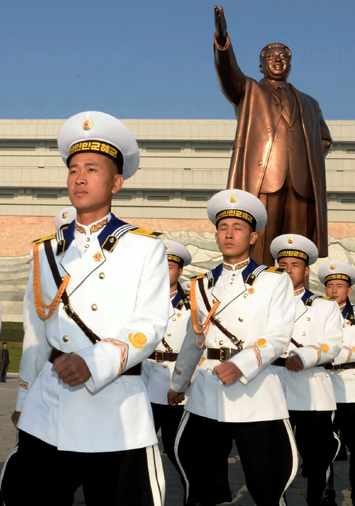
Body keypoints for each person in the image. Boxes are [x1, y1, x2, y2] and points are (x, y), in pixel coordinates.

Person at [0, 111, 170, 506]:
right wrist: (23, 401)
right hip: (49, 408)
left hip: (113, 409)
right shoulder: (46, 250)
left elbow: (149, 324)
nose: (79, 177)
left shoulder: (143, 247)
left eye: (92, 169)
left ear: (116, 182)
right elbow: (35, 332)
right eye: (74, 168)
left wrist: (94, 361)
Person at [168, 189, 297, 506]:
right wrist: (178, 383)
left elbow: (279, 335)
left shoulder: (273, 280)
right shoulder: (201, 284)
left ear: (253, 237)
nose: (229, 234)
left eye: (238, 228)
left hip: (255, 393)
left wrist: (241, 364)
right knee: (199, 478)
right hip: (208, 392)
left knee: (266, 481)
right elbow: (193, 339)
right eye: (223, 227)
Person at [213, 5, 332, 266]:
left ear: (290, 64)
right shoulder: (249, 91)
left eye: (283, 57)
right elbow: (227, 73)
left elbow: (324, 139)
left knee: (296, 248)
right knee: (261, 243)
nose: (278, 60)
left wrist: (306, 159)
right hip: (264, 179)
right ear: (260, 66)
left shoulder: (310, 103)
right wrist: (223, 44)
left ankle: (295, 297)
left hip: (301, 184)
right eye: (271, 57)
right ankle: (259, 291)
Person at [270, 234, 343, 506]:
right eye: (283, 264)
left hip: (312, 390)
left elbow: (334, 344)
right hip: (275, 388)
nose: (288, 270)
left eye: (295, 265)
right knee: (276, 458)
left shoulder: (324, 306)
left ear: (306, 269)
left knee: (316, 459)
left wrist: (305, 355)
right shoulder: (266, 303)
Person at [317, 261, 355, 506]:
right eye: (329, 285)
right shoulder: (316, 312)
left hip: (353, 387)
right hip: (324, 386)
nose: (333, 290)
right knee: (326, 443)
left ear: (349, 291)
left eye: (339, 286)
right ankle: (327, 490)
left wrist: (333, 354)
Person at [141, 239, 193, 470]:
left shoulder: (192, 306)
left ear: (180, 271)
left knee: (177, 449)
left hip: (176, 384)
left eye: (170, 267)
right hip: (144, 380)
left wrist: (185, 381)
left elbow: (198, 349)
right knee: (139, 447)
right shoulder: (142, 302)